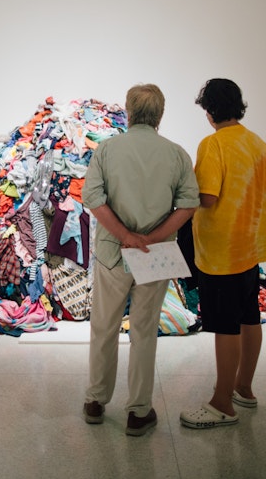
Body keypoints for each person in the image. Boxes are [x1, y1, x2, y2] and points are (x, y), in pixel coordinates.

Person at [82, 83, 199, 436]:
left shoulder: (106, 150)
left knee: (103, 327)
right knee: (145, 332)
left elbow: (94, 199)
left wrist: (126, 236)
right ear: (160, 115)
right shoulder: (177, 154)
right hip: (156, 257)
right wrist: (154, 237)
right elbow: (189, 204)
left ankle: (95, 401)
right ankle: (138, 411)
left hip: (112, 254)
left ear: (128, 112)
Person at [179, 78, 266, 429]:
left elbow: (208, 197)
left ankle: (222, 403)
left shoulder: (213, 145)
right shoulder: (258, 144)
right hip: (250, 247)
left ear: (209, 112)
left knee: (225, 326)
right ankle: (244, 389)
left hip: (221, 250)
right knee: (249, 318)